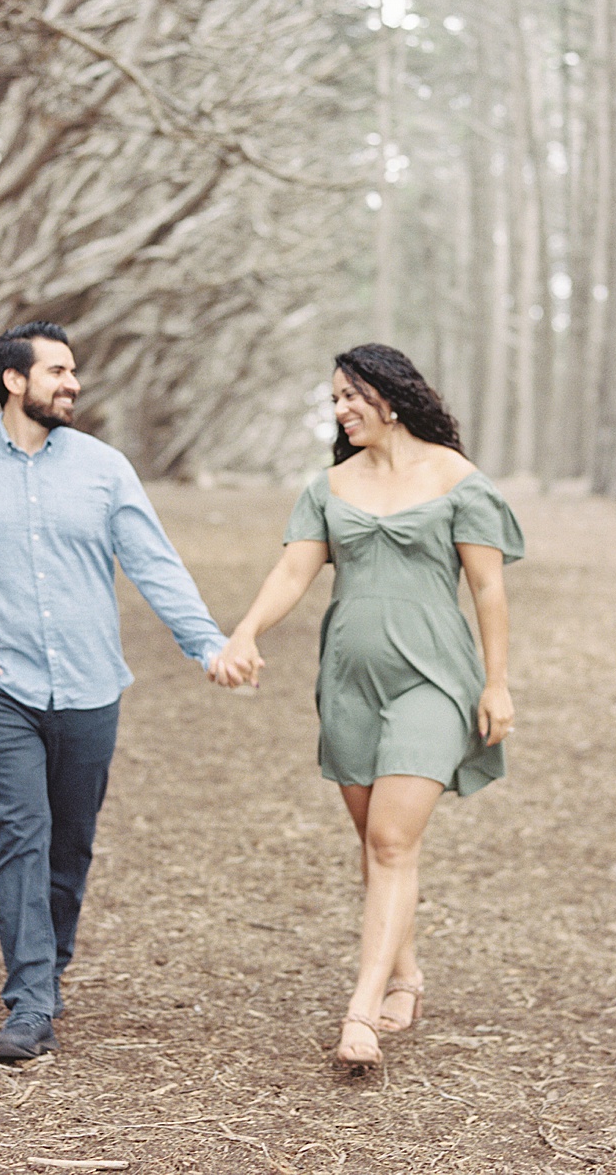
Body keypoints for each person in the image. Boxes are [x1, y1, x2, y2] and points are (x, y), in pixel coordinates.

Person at [0, 321, 235, 1062]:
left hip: (89, 687)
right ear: (13, 380)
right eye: (57, 370)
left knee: (70, 842)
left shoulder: (104, 468)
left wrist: (206, 642)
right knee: (18, 832)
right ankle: (30, 999)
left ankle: (48, 967)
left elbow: (155, 562)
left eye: (74, 370)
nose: (72, 382)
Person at [211, 343, 523, 1068]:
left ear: (393, 394)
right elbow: (294, 569)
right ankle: (407, 974)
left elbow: (487, 589)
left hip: (432, 680)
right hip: (349, 681)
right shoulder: (330, 486)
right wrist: (247, 631)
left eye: (352, 395)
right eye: (335, 400)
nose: (342, 410)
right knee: (377, 840)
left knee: (390, 839)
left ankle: (360, 1014)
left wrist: (496, 682)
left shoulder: (459, 482)